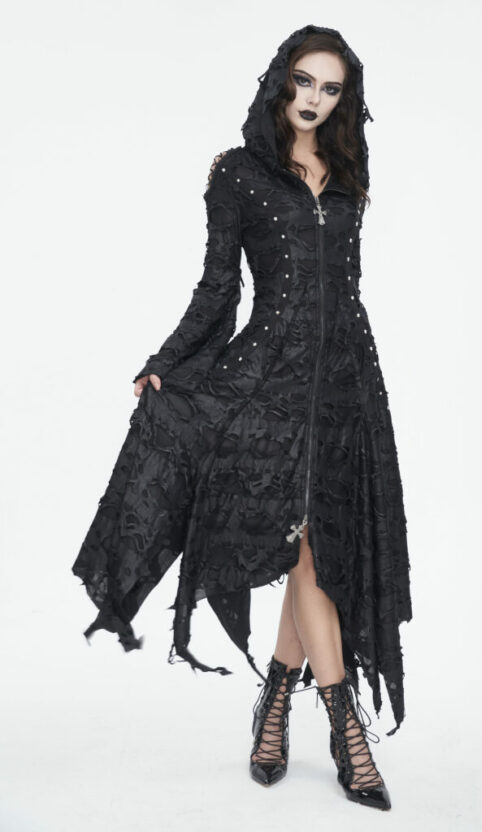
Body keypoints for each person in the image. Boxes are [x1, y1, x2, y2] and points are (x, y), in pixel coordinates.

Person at [72, 24, 412, 811]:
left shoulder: (349, 174)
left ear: (344, 98)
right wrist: (166, 361)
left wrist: (354, 384)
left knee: (314, 552)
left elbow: (348, 289)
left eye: (330, 87)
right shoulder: (237, 174)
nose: (313, 98)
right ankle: (348, 734)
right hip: (267, 385)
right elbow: (218, 290)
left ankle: (274, 704)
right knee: (303, 551)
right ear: (280, 79)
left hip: (346, 387)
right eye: (304, 80)